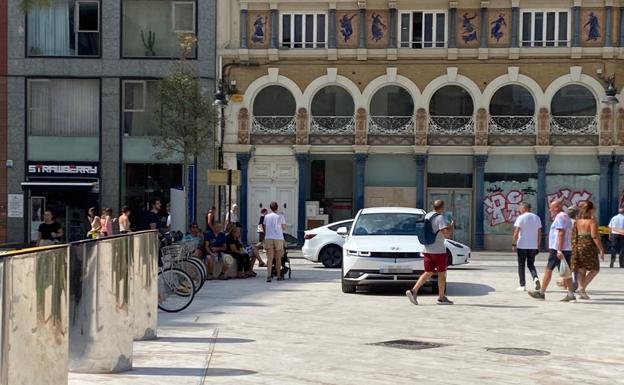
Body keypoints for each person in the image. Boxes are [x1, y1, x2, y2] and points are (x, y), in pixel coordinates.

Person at [406, 200, 455, 305]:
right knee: (442, 274)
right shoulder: (440, 218)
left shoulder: (426, 216)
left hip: (427, 250)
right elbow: (447, 234)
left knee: (428, 272)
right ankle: (441, 298)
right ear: (442, 208)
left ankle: (413, 291)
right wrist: (451, 226)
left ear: (433, 206)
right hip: (439, 251)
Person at [529, 199, 575, 302]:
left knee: (548, 270)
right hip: (565, 248)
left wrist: (559, 250)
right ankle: (571, 294)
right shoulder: (565, 216)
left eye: (551, 207)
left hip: (558, 249)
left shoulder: (560, 217)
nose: (550, 209)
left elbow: (561, 233)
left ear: (557, 207)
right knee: (566, 272)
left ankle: (541, 292)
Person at [571, 201, 604, 299]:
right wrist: (601, 249)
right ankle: (582, 288)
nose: (595, 210)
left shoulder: (577, 221)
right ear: (590, 210)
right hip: (589, 246)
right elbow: (594, 236)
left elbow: (574, 235)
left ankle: (583, 292)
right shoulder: (591, 222)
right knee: (595, 269)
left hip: (578, 245)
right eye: (594, 208)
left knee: (582, 269)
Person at [511, 202, 542, 291]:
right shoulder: (537, 218)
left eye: (520, 208)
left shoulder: (520, 218)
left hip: (522, 245)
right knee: (531, 264)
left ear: (525, 208)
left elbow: (516, 232)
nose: (519, 210)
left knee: (521, 265)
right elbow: (539, 233)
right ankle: (535, 278)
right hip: (533, 245)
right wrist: (538, 245)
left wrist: (513, 243)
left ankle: (522, 285)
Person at [264, 201, 286, 282]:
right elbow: (284, 228)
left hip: (268, 237)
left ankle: (269, 276)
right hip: (278, 238)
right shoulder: (281, 216)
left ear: (270, 208)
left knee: (269, 258)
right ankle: (278, 275)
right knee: (278, 258)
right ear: (277, 207)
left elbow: (265, 227)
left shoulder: (266, 216)